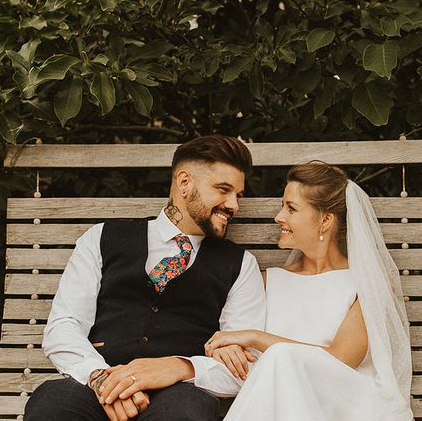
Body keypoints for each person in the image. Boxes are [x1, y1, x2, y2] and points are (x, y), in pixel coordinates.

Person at [25, 135, 266, 421]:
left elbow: (244, 368)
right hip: (92, 384)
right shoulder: (101, 238)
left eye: (238, 195)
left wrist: (181, 367)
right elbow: (63, 325)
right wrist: (102, 379)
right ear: (185, 182)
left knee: (187, 415)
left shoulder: (241, 265)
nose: (234, 205)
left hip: (179, 396)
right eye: (223, 190)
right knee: (52, 405)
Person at [204, 162, 415, 421]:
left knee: (281, 357)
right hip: (280, 403)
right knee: (279, 362)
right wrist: (227, 347)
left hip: (348, 402)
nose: (279, 217)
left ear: (325, 220)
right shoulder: (268, 281)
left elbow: (342, 358)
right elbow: (236, 344)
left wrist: (257, 337)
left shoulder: (366, 283)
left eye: (291, 208)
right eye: (283, 206)